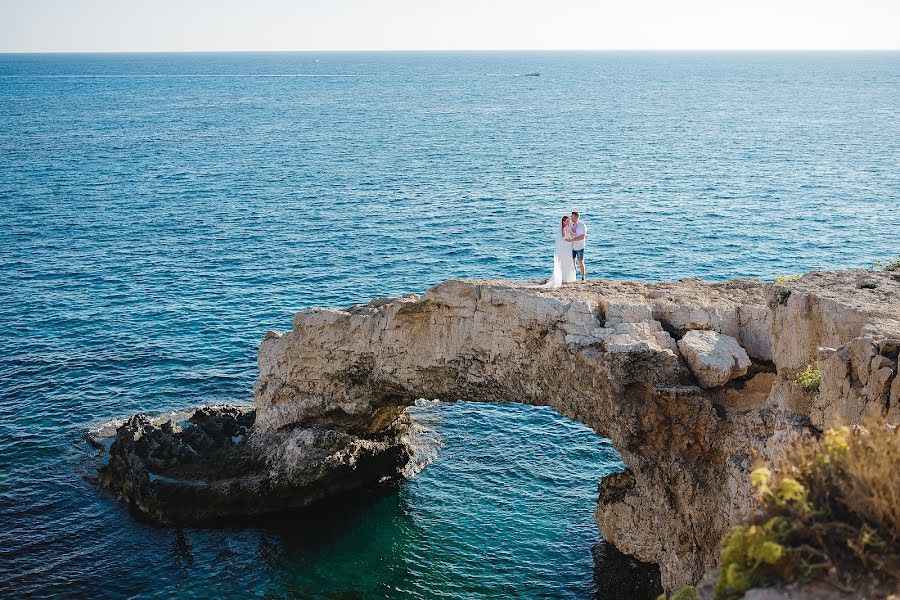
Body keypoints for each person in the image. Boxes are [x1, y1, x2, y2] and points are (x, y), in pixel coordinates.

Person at [542, 215, 577, 289]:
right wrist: (575, 234)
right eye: (567, 221)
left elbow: (567, 236)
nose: (568, 222)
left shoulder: (564, 228)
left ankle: (564, 277)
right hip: (567, 246)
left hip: (566, 246)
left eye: (569, 221)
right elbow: (570, 236)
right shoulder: (566, 228)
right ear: (563, 222)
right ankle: (567, 277)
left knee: (566, 260)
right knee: (567, 260)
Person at [570, 211, 586, 281]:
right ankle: (574, 277)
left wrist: (573, 239)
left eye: (572, 217)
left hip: (580, 247)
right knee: (572, 262)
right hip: (572, 247)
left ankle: (583, 277)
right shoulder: (570, 225)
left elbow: (582, 237)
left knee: (580, 262)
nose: (571, 218)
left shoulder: (582, 225)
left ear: (576, 217)